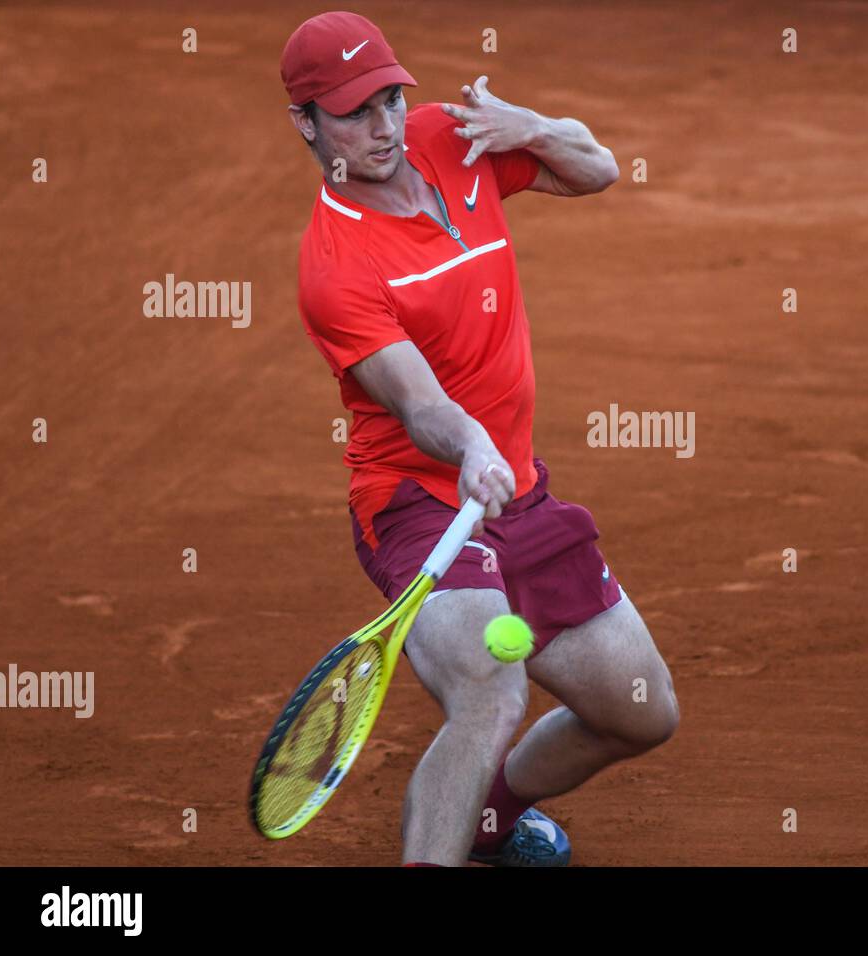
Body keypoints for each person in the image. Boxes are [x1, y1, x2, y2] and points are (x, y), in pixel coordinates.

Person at [280, 11, 679, 866]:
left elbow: (598, 170)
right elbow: (418, 405)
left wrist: (526, 126)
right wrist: (468, 448)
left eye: (390, 99)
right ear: (306, 123)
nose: (383, 127)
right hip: (421, 507)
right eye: (353, 112)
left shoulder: (443, 140)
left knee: (641, 712)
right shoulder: (334, 267)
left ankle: (495, 817)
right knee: (492, 696)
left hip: (518, 489)